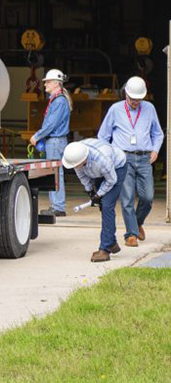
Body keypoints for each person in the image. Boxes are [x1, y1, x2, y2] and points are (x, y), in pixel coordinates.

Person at [97, 76, 164, 248]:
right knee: (126, 198)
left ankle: (138, 221)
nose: (135, 102)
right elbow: (103, 136)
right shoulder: (115, 109)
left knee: (147, 197)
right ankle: (131, 234)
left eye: (138, 99)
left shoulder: (149, 109)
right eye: (133, 99)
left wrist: (155, 149)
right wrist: (109, 155)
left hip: (144, 158)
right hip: (122, 158)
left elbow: (158, 133)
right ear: (126, 94)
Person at [62, 139, 127, 262]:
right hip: (99, 171)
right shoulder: (75, 157)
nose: (75, 168)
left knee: (107, 205)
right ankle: (111, 242)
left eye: (76, 165)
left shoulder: (102, 161)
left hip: (116, 168)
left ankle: (105, 249)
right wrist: (90, 192)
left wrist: (99, 194)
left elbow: (111, 180)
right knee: (103, 205)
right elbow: (82, 175)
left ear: (83, 159)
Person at [29, 69, 71, 216]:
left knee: (55, 174)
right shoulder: (58, 100)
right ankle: (56, 205)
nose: (45, 84)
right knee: (55, 173)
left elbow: (51, 124)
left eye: (47, 82)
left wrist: (37, 136)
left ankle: (58, 206)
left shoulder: (59, 101)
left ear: (55, 83)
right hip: (54, 141)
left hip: (55, 141)